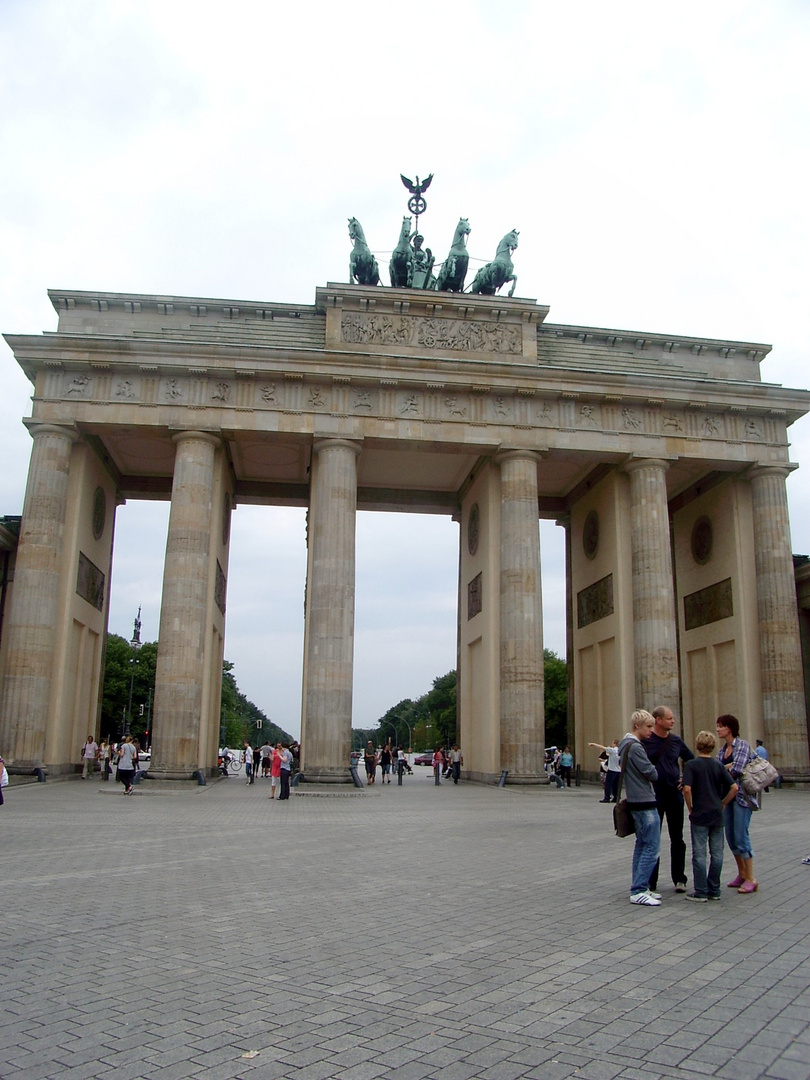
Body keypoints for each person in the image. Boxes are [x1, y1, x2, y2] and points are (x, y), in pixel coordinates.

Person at [682, 731, 738, 902]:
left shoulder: (691, 765)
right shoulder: (718, 765)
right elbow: (734, 787)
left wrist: (690, 806)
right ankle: (714, 889)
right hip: (716, 813)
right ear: (713, 746)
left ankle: (700, 890)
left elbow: (686, 789)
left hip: (700, 812)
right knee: (717, 853)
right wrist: (723, 803)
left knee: (699, 853)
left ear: (697, 745)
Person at [644, 706, 693, 894]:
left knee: (677, 837)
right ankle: (651, 881)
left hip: (674, 794)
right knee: (653, 838)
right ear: (658, 720)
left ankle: (679, 878)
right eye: (669, 718)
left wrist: (685, 779)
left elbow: (691, 760)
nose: (673, 721)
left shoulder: (675, 741)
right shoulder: (647, 741)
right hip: (654, 795)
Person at [618, 710, 661, 906]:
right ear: (637, 726)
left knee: (642, 845)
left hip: (636, 799)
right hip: (644, 800)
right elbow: (651, 773)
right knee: (652, 847)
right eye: (649, 727)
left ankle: (639, 885)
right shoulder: (635, 747)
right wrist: (654, 769)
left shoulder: (625, 745)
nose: (652, 730)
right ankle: (639, 889)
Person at [716, 714, 758, 893]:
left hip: (742, 797)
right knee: (731, 837)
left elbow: (737, 769)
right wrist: (724, 768)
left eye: (720, 726)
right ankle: (741, 873)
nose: (717, 729)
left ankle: (751, 878)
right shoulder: (722, 750)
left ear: (730, 728)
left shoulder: (742, 745)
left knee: (741, 837)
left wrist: (722, 769)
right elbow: (720, 770)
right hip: (727, 798)